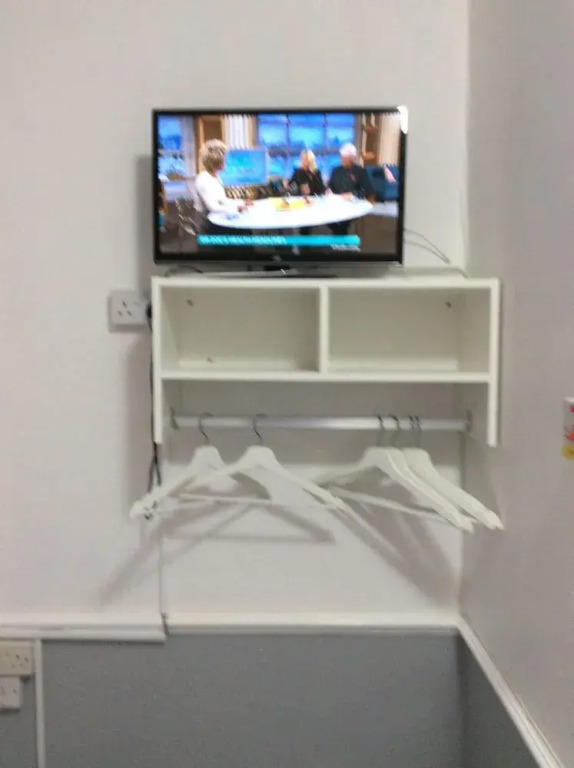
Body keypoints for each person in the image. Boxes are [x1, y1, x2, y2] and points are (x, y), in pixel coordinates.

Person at [194, 139, 253, 235]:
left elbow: (223, 200)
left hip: (217, 218)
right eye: (223, 159)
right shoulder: (203, 179)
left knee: (246, 228)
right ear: (215, 161)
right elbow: (213, 207)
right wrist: (237, 208)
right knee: (244, 230)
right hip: (209, 224)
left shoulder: (216, 177)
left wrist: (242, 203)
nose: (226, 161)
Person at [328, 143, 375, 235]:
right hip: (336, 204)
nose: (342, 160)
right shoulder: (335, 170)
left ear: (352, 158)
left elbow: (368, 190)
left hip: (352, 205)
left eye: (345, 158)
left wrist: (352, 194)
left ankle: (340, 237)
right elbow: (330, 185)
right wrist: (329, 190)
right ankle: (339, 235)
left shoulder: (360, 171)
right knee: (330, 218)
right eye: (341, 157)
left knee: (341, 222)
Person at [286, 150, 326, 238]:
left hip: (313, 202)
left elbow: (321, 189)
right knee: (303, 228)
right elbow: (289, 185)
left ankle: (308, 241)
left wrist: (312, 176)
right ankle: (303, 241)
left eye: (306, 159)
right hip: (301, 202)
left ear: (311, 160)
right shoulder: (297, 172)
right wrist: (287, 184)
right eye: (302, 159)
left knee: (310, 227)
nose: (303, 161)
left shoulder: (316, 172)